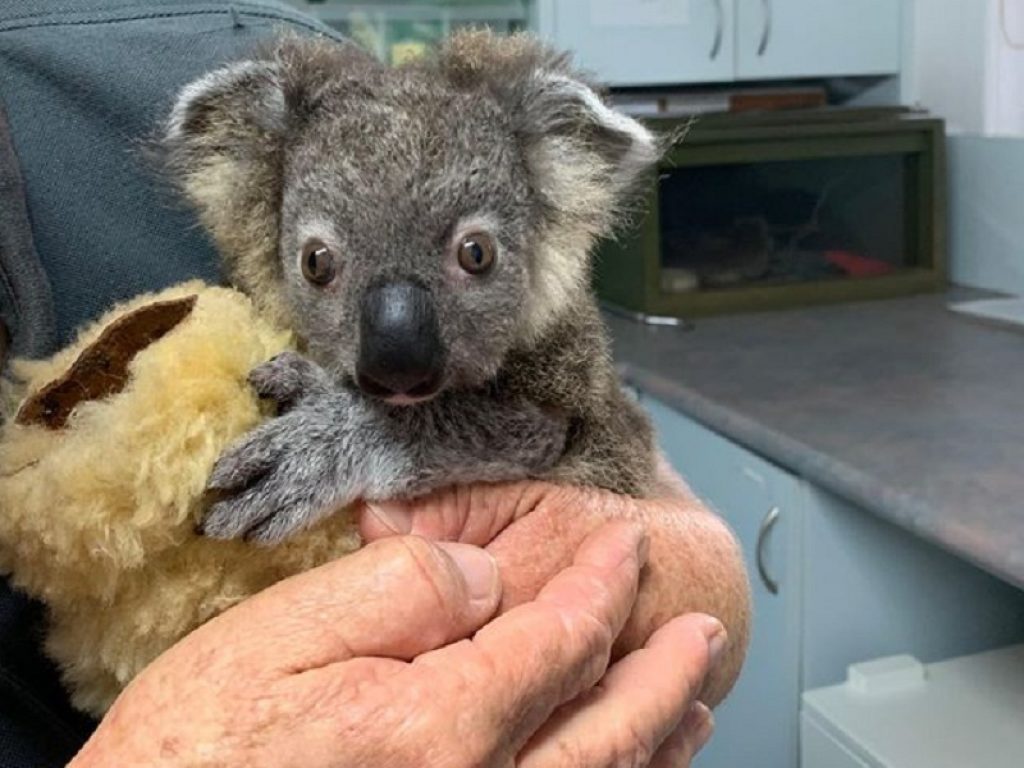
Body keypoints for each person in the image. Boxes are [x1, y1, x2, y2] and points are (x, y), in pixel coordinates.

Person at [0, 1, 751, 765]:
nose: (398, 344)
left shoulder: (301, 65)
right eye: (321, 267)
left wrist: (381, 441)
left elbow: (579, 435)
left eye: (477, 257)